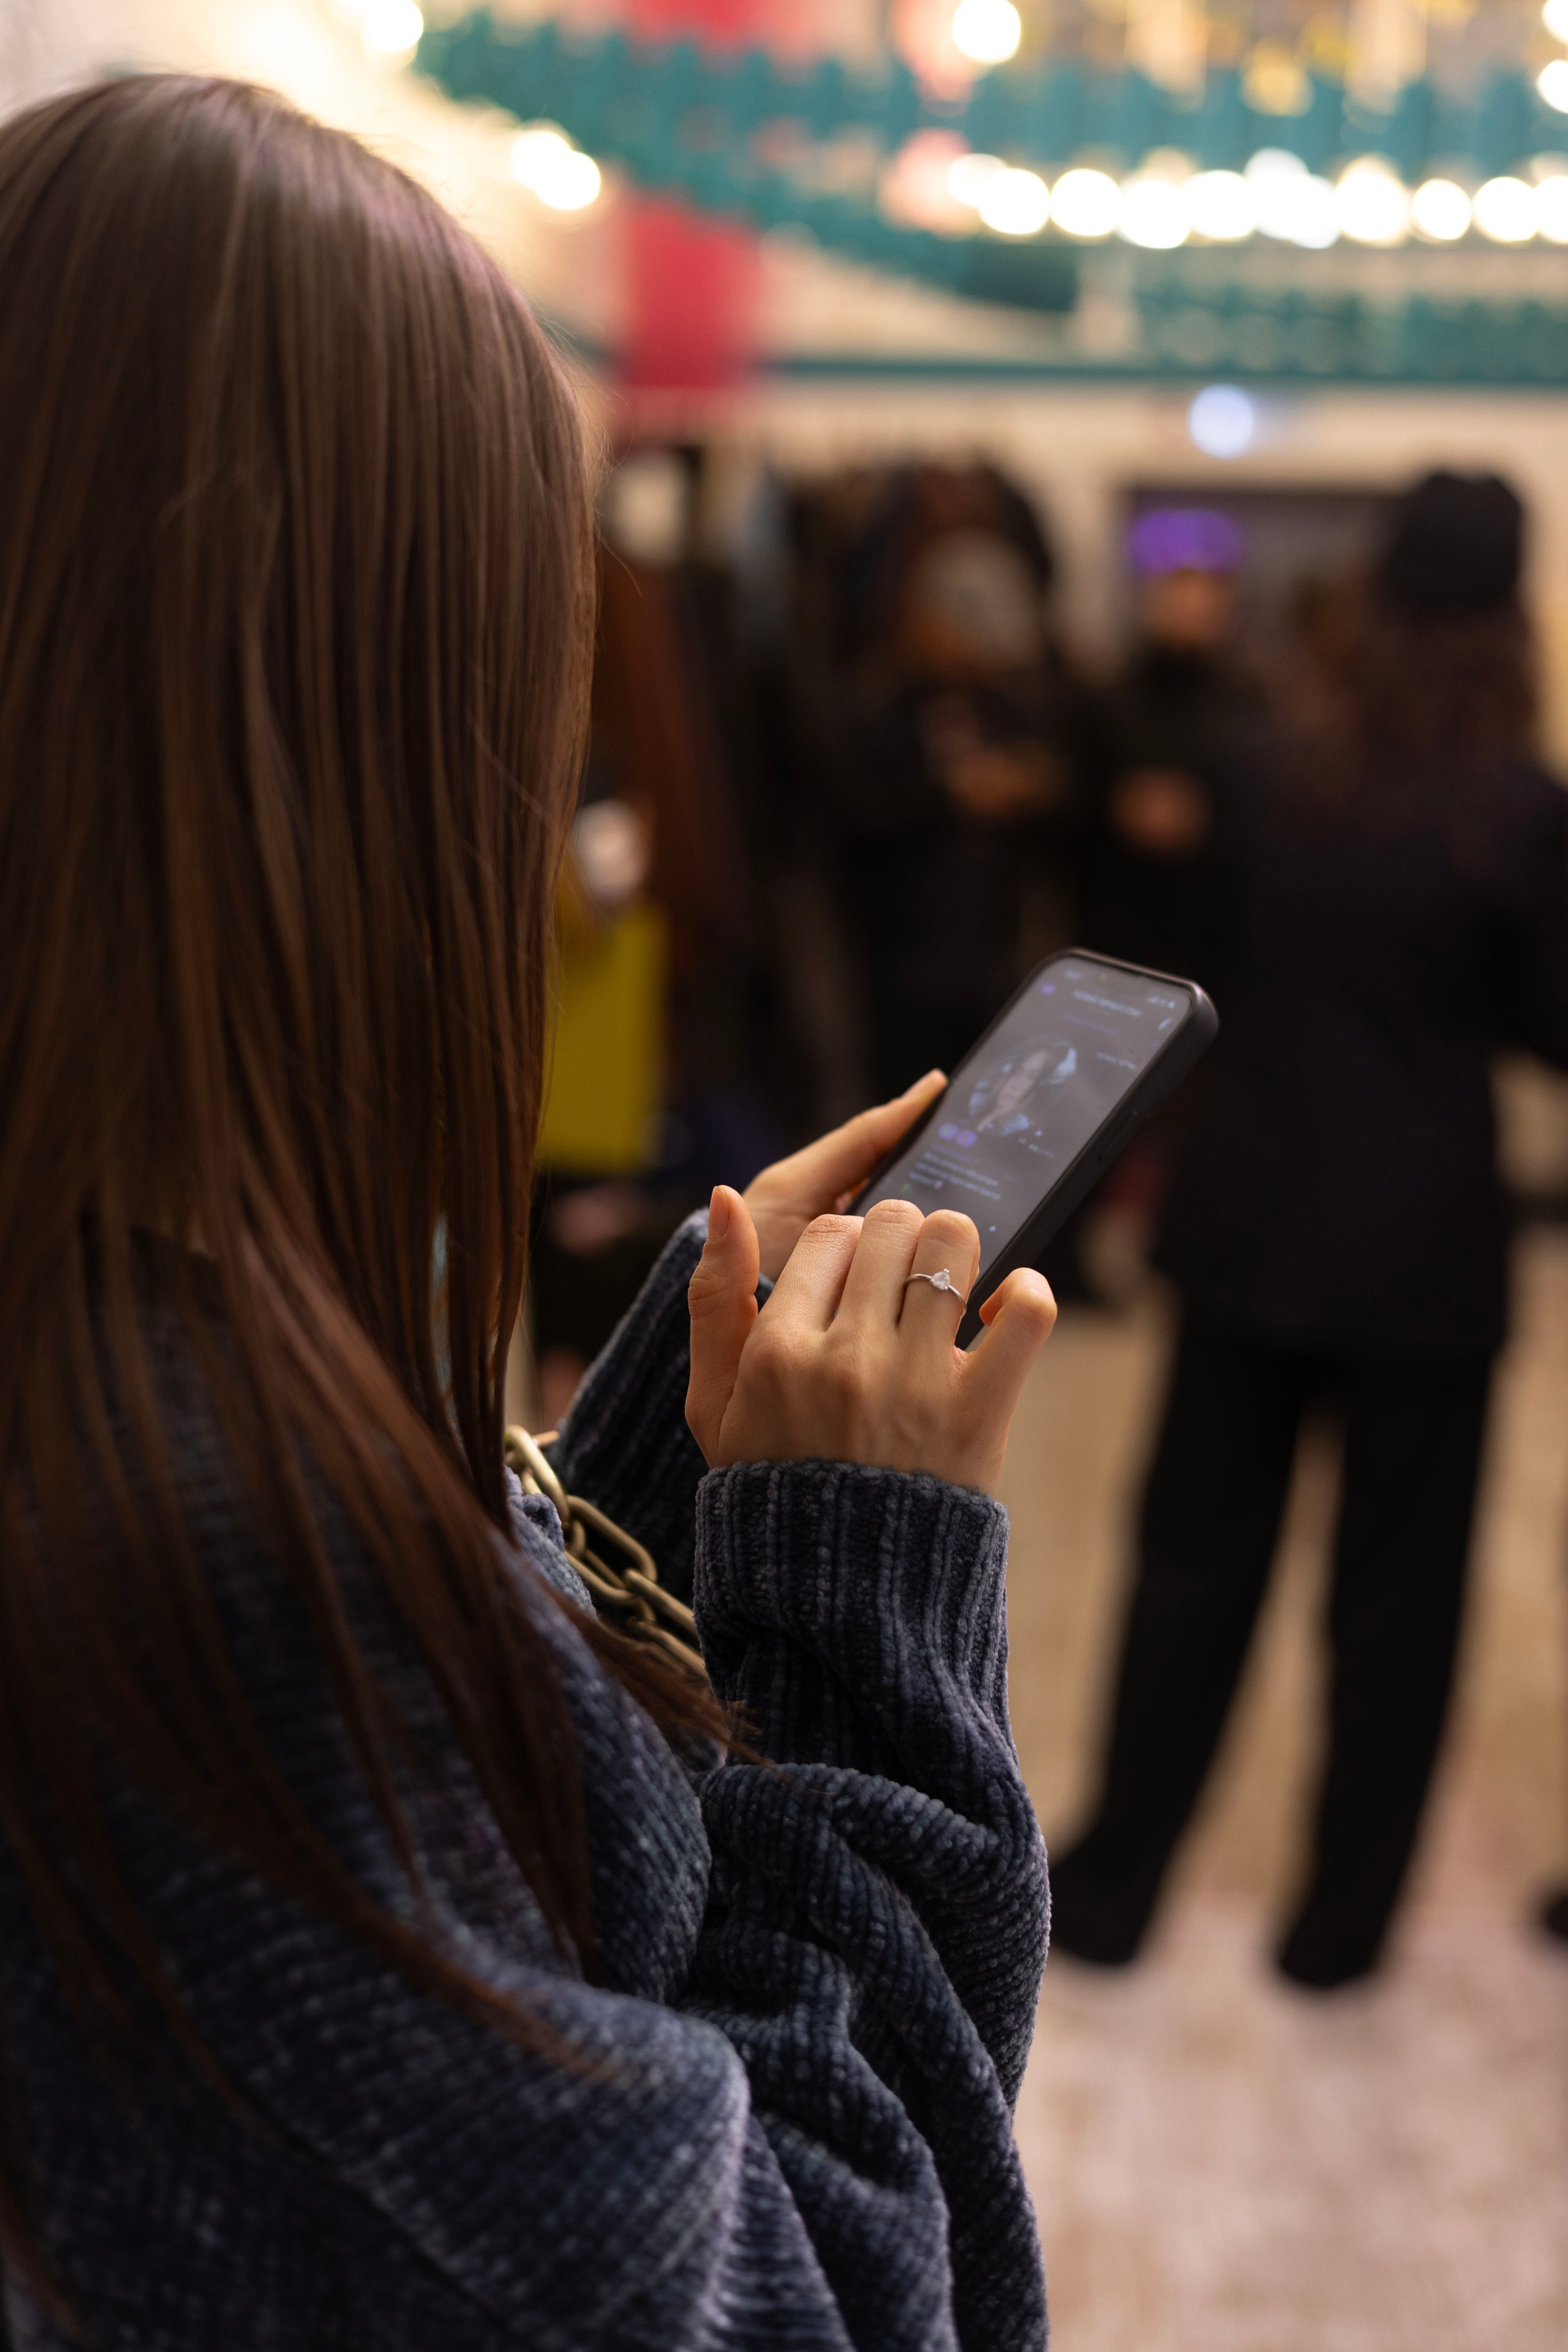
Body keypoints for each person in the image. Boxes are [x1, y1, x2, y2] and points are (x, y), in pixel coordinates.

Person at [0, 77, 1061, 2348]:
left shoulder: (124, 1342)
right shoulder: (205, 1562)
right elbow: (826, 2297)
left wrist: (637, 1482)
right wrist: (864, 1591)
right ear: (368, 726)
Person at [1051, 472, 1568, 1991]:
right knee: (1393, 1608)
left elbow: (1186, 980)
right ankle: (1336, 1930)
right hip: (1424, 1248)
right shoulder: (1521, 813)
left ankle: (1118, 1886)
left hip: (1251, 1218)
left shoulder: (1259, 765)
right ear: (1510, 618)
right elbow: (1550, 1028)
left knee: (1189, 1564)